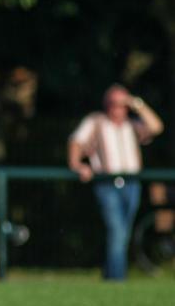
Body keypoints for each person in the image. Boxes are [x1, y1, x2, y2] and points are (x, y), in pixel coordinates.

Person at [68, 85, 163, 280]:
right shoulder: (96, 122)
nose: (118, 109)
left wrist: (136, 104)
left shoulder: (132, 125)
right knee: (117, 232)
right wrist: (77, 164)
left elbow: (156, 127)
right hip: (107, 184)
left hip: (132, 185)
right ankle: (117, 280)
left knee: (122, 235)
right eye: (114, 104)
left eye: (122, 104)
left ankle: (109, 275)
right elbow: (76, 141)